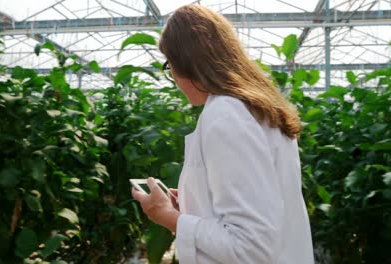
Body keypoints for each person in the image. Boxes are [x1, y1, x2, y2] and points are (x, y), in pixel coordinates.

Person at [131, 4, 315, 263]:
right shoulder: (256, 107)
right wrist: (194, 205)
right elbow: (260, 211)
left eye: (169, 64)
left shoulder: (226, 114)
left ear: (186, 61)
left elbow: (250, 247)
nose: (172, 74)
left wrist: (170, 218)